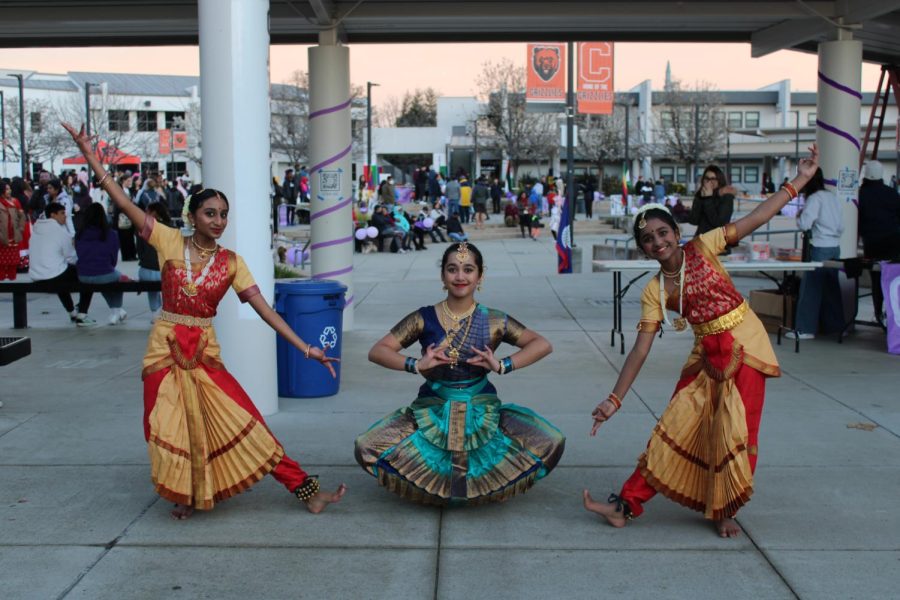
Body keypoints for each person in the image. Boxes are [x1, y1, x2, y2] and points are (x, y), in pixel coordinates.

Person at [63, 122, 346, 519]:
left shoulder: (231, 263)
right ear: (192, 215)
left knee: (246, 421)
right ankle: (187, 493)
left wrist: (306, 347)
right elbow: (123, 202)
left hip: (203, 353)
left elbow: (266, 310)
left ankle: (306, 490)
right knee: (161, 425)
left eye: (223, 215)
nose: (218, 221)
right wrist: (92, 158)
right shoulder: (167, 241)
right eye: (210, 213)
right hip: (164, 349)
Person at [583, 145, 821, 538]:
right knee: (674, 428)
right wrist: (615, 398)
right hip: (706, 356)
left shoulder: (705, 246)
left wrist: (801, 180)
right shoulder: (655, 291)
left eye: (662, 233)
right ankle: (625, 504)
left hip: (746, 348)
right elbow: (640, 350)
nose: (657, 242)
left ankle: (724, 510)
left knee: (739, 434)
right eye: (647, 239)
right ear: (642, 248)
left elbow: (758, 217)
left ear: (677, 234)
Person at [355, 242, 565, 504]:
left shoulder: (494, 320)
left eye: (468, 269)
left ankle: (472, 490)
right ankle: (438, 490)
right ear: (443, 276)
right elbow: (378, 350)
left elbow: (541, 344)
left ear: (480, 276)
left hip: (482, 408)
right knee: (367, 447)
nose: (460, 276)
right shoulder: (423, 317)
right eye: (452, 269)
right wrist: (416, 365)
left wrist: (503, 365)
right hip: (433, 407)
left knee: (551, 441)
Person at [789, 168, 844, 340]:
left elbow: (805, 224)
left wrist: (799, 216)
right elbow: (842, 225)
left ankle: (804, 329)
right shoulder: (832, 197)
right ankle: (836, 327)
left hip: (820, 246)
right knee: (831, 289)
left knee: (810, 289)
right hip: (835, 247)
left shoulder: (814, 199)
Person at [28, 202, 95, 326]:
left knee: (61, 272)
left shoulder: (37, 228)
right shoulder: (58, 230)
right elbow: (71, 256)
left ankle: (72, 312)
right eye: (62, 213)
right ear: (53, 215)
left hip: (36, 275)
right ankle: (82, 314)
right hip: (52, 275)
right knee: (87, 276)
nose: (65, 216)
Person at [858, 160, 900, 322]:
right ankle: (893, 314)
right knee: (893, 278)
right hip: (894, 243)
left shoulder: (861, 194)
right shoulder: (891, 193)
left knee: (877, 279)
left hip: (872, 244)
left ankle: (877, 312)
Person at [74, 203, 127, 326]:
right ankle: (117, 310)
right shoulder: (111, 234)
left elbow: (78, 252)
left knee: (102, 280)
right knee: (120, 279)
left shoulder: (80, 234)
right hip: (104, 272)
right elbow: (113, 259)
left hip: (83, 275)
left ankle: (118, 311)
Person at [137, 202, 172, 320]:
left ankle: (155, 311)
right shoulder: (170, 228)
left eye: (147, 211)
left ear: (154, 213)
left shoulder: (143, 229)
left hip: (146, 271)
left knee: (151, 282)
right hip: (165, 272)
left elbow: (140, 253)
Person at [688, 166, 736, 236]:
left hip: (717, 241)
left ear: (719, 180)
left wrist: (708, 199)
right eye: (707, 178)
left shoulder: (726, 196)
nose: (710, 181)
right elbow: (694, 220)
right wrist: (699, 199)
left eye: (713, 179)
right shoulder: (701, 195)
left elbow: (719, 224)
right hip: (701, 239)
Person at [0, 180, 28, 280]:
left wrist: (20, 229)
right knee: (1, 261)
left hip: (13, 235)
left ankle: (12, 278)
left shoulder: (15, 201)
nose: (9, 191)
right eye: (7, 189)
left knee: (13, 260)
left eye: (9, 189)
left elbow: (22, 216)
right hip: (2, 236)